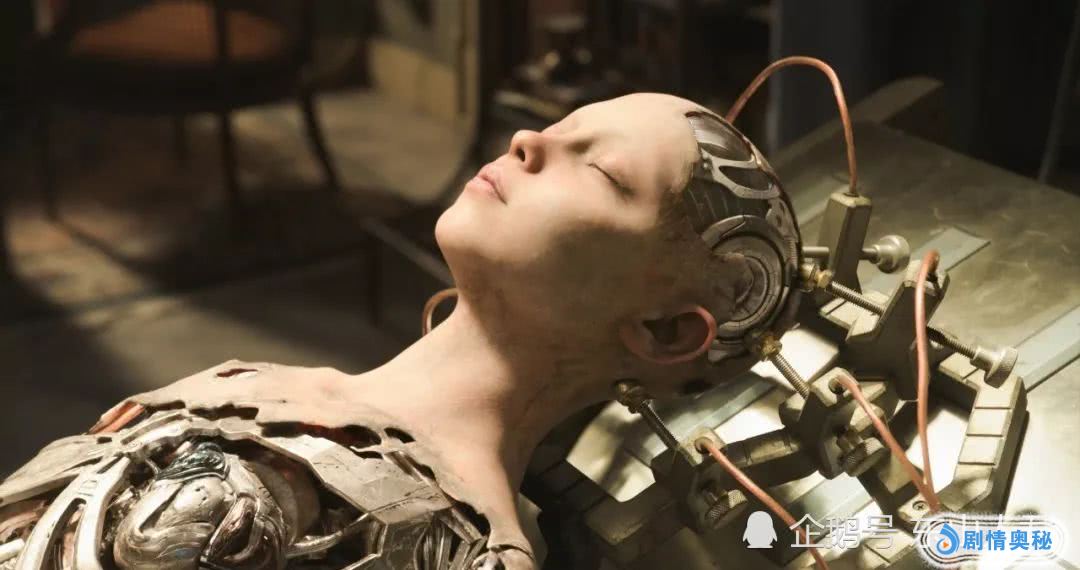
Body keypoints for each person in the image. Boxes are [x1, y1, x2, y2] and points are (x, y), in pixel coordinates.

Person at [0, 93, 800, 569]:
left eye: (602, 170)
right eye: (559, 125)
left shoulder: (451, 546)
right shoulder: (274, 387)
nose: (528, 142)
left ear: (665, 330)